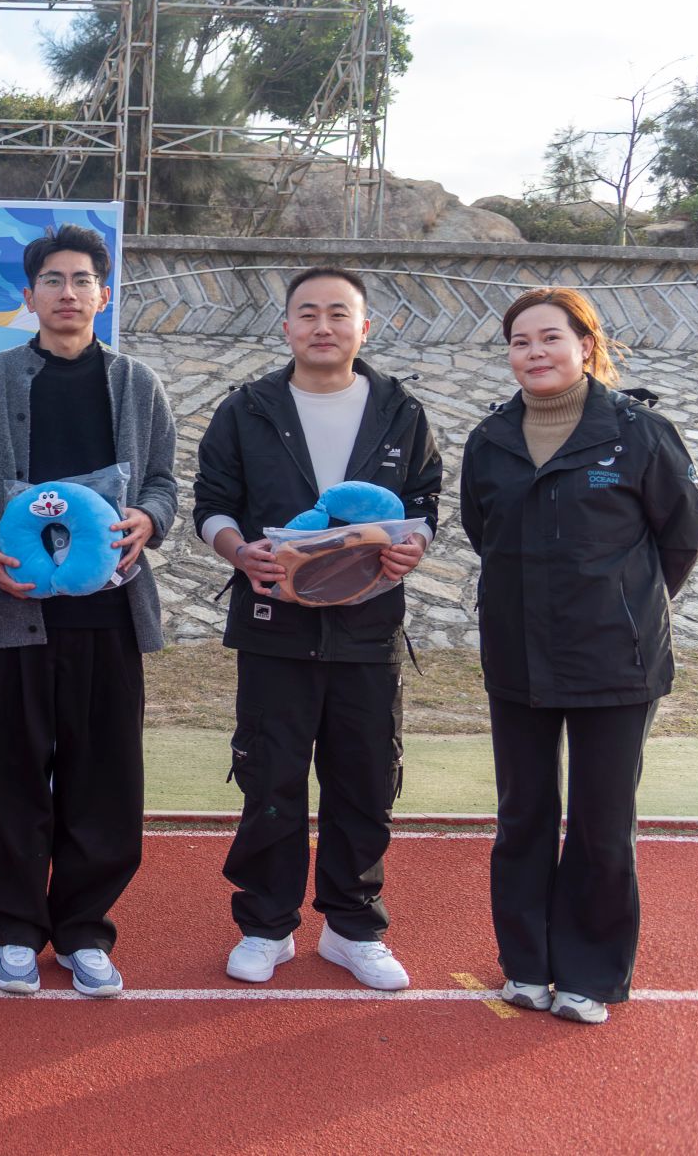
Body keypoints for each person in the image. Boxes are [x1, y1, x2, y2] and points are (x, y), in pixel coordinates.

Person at [192, 266, 441, 992]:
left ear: (365, 327)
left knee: (364, 777)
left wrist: (415, 544)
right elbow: (212, 502)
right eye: (307, 313)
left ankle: (352, 926)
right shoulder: (247, 408)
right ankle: (266, 925)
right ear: (286, 327)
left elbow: (425, 503)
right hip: (274, 625)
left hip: (369, 630)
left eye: (338, 313)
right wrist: (239, 551)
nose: (322, 326)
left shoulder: (401, 411)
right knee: (269, 775)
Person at [461, 288, 698, 1025]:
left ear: (586, 345)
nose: (534, 352)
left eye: (550, 337)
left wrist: (621, 604)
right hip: (517, 656)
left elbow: (681, 537)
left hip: (615, 660)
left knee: (602, 825)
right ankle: (527, 965)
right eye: (520, 341)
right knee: (523, 816)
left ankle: (589, 975)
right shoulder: (490, 439)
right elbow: (482, 529)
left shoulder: (639, 432)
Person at [0, 225, 178, 998]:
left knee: (104, 779)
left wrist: (149, 518)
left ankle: (84, 929)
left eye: (83, 279)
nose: (68, 292)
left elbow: (164, 481)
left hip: (108, 617)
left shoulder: (137, 383)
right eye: (53, 279)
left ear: (103, 294)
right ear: (30, 295)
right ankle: (15, 928)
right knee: (11, 776)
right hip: (16, 615)